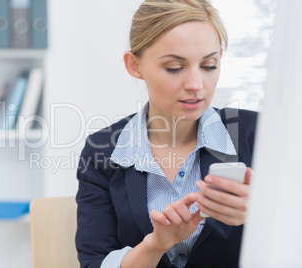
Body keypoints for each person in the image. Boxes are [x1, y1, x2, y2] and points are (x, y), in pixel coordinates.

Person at [75, 0, 257, 267]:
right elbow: (94, 262)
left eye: (208, 66)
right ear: (135, 65)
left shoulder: (259, 135)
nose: (196, 85)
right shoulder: (101, 151)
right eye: (174, 68)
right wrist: (155, 245)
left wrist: (264, 216)